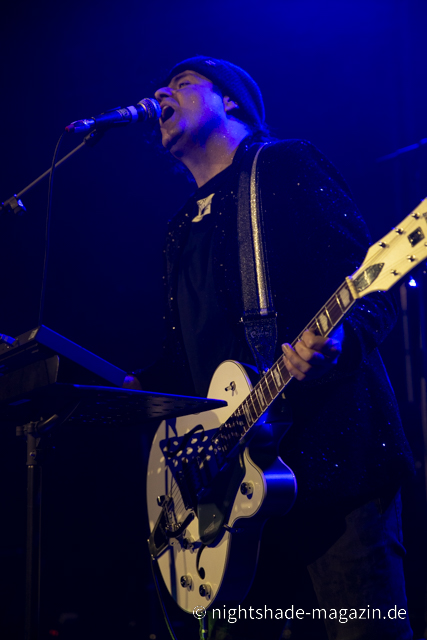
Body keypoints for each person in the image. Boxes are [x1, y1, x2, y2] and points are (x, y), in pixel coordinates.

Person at [124, 56, 414, 639]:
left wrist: (340, 341)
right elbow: (185, 361)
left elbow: (371, 284)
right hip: (228, 496)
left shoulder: (284, 165)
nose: (161, 92)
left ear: (230, 100)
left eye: (182, 83)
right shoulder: (179, 229)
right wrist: (125, 390)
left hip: (331, 468)